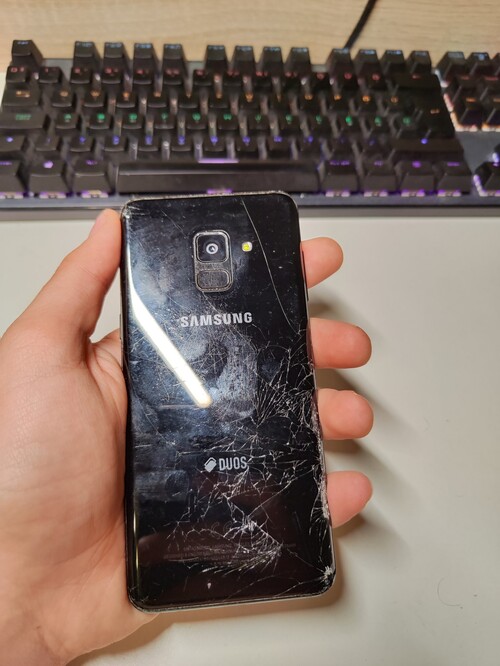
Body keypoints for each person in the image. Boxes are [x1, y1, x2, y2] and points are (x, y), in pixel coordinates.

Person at [0, 209, 373, 664]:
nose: (170, 283)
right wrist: (22, 602)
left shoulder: (238, 358)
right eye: (162, 272)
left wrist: (24, 607)